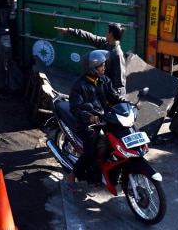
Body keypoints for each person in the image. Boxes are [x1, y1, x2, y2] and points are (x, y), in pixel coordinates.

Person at [64, 50, 139, 191]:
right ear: (92, 68)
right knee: (90, 153)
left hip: (105, 119)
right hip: (88, 124)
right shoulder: (78, 85)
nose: (104, 68)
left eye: (104, 65)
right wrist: (89, 116)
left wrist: (130, 104)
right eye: (101, 66)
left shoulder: (104, 80)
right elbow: (75, 109)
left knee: (119, 140)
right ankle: (72, 175)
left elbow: (114, 96)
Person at [55, 23, 127, 95]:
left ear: (111, 34)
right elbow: (88, 36)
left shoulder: (118, 55)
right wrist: (69, 30)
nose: (106, 34)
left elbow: (120, 84)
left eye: (107, 32)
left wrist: (112, 98)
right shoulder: (104, 43)